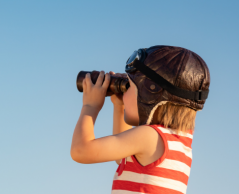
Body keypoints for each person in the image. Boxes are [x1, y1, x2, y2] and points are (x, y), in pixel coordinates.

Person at [70, 45, 210, 194]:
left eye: (129, 86)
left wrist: (90, 106)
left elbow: (80, 151)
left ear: (150, 93)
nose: (124, 92)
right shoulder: (179, 140)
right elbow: (121, 156)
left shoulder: (149, 136)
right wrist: (119, 107)